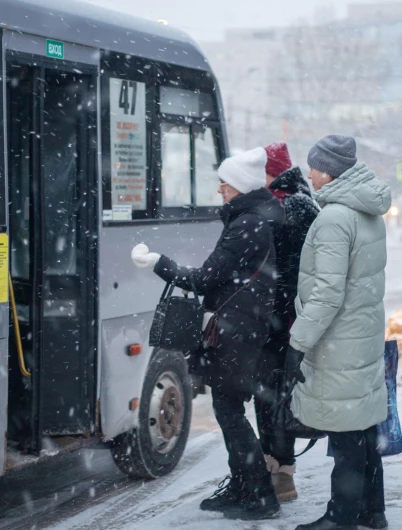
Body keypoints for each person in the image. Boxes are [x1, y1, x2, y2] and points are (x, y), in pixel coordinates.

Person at [131, 147, 283, 521]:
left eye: (224, 183)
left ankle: (259, 493)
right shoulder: (254, 218)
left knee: (229, 410)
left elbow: (204, 278)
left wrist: (158, 264)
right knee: (227, 407)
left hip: (238, 330)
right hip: (245, 326)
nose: (220, 190)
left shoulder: (247, 224)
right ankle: (245, 486)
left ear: (240, 187)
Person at [286, 135, 392, 530]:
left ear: (329, 170)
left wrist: (298, 343)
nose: (309, 174)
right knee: (362, 425)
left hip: (338, 341)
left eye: (313, 167)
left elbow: (326, 293)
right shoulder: (366, 211)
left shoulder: (333, 218)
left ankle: (341, 517)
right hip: (360, 335)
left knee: (347, 433)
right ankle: (371, 510)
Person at [254, 142, 320, 502]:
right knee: (273, 395)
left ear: (272, 171)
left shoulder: (290, 206)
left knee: (276, 396)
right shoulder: (289, 200)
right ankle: (275, 468)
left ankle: (282, 474)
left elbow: (288, 272)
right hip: (280, 317)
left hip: (282, 320)